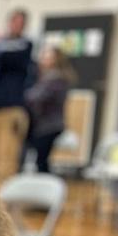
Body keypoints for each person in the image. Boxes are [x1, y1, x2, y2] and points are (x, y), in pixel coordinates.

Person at [0, 9, 35, 184]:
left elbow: (7, 54)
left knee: (5, 162)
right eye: (13, 21)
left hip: (11, 110)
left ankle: (2, 198)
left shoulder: (25, 45)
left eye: (19, 22)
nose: (15, 25)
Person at [25, 45, 76, 174]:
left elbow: (36, 97)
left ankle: (46, 184)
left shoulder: (55, 79)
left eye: (47, 57)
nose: (43, 59)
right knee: (41, 160)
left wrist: (23, 96)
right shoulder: (45, 77)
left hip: (48, 126)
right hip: (46, 125)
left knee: (41, 161)